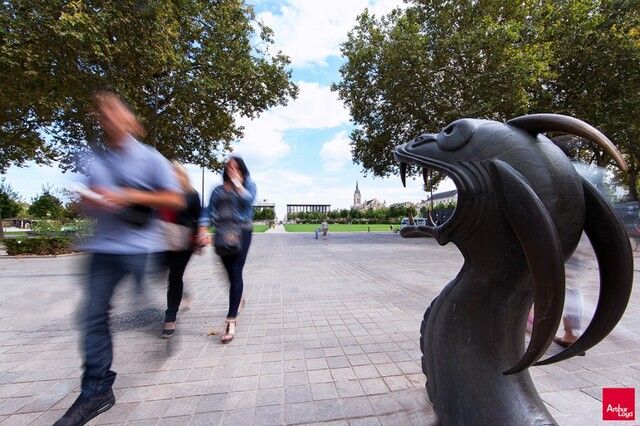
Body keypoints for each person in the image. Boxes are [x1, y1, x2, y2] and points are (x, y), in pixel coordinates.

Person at [55, 91, 184, 426]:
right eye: (102, 111)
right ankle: (97, 390)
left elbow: (174, 197)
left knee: (137, 301)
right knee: (93, 315)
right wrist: (89, 202)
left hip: (139, 248)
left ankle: (158, 315)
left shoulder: (150, 157)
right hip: (103, 247)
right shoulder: (95, 158)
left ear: (130, 119)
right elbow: (86, 203)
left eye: (114, 109)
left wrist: (128, 194)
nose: (107, 115)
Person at [198, 156, 256, 343]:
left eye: (235, 167)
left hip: (242, 232)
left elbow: (248, 202)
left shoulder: (248, 185)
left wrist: (238, 184)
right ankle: (238, 299)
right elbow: (207, 211)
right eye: (228, 166)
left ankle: (231, 320)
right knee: (228, 273)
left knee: (236, 272)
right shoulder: (217, 190)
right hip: (222, 234)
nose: (231, 169)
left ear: (242, 169)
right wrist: (203, 229)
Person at [161, 161, 202, 338]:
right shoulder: (161, 193)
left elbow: (199, 218)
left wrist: (199, 238)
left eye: (175, 172)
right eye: (169, 172)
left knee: (174, 277)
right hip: (161, 241)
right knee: (157, 272)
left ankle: (170, 316)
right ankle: (182, 293)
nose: (172, 175)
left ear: (183, 175)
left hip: (183, 242)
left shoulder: (192, 195)